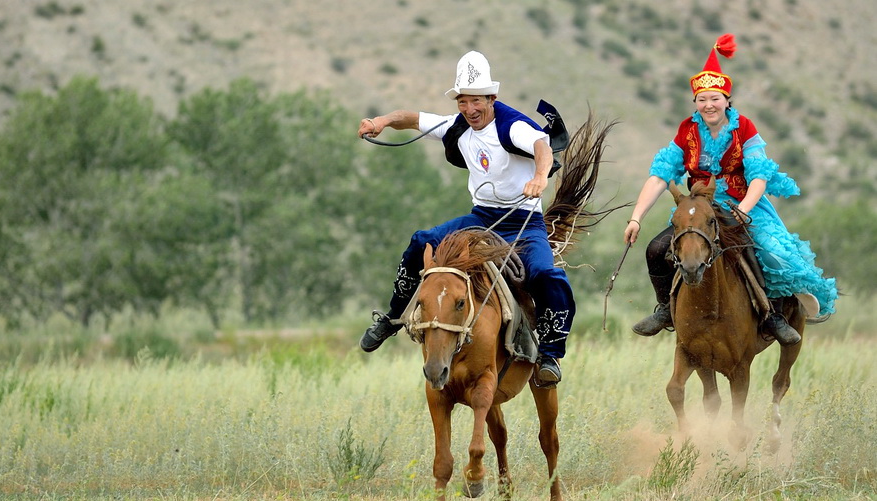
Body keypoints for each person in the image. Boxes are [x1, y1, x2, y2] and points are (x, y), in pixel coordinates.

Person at [357, 50, 575, 386]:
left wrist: (541, 176)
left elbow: (542, 147)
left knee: (547, 275)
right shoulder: (458, 126)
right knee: (420, 241)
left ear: (492, 97)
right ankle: (392, 318)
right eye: (462, 101)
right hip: (481, 218)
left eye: (476, 101)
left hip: (524, 223)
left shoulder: (512, 126)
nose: (470, 109)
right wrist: (381, 122)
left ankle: (550, 354)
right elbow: (413, 118)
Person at [623, 34, 837, 345]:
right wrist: (636, 217)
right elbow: (660, 176)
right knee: (657, 249)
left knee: (769, 253)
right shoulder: (687, 131)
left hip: (742, 203)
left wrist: (743, 211)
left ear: (726, 100)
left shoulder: (744, 128)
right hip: (701, 207)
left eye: (715, 99)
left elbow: (759, 177)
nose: (708, 105)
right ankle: (664, 310)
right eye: (702, 99)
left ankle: (772, 314)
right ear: (695, 102)